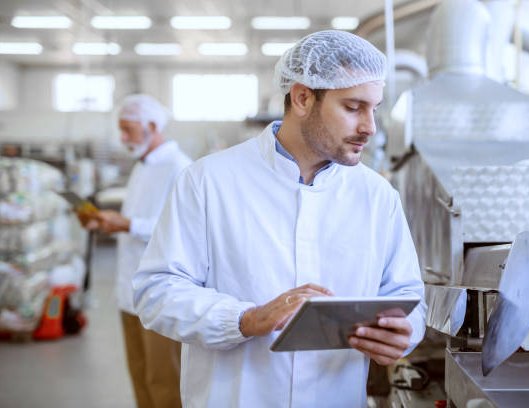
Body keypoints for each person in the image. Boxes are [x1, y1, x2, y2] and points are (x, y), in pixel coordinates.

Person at [133, 30, 427, 408]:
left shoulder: (377, 196)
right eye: (354, 107)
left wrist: (405, 333)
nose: (370, 126)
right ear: (302, 97)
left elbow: (405, 295)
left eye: (374, 108)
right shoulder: (208, 181)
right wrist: (245, 318)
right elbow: (156, 291)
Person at [79, 94, 192, 408]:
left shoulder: (180, 168)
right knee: (140, 376)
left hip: (161, 294)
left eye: (128, 130)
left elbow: (181, 230)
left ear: (152, 126)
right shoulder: (143, 166)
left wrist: (127, 224)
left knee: (164, 381)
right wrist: (105, 222)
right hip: (130, 292)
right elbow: (138, 220)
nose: (123, 138)